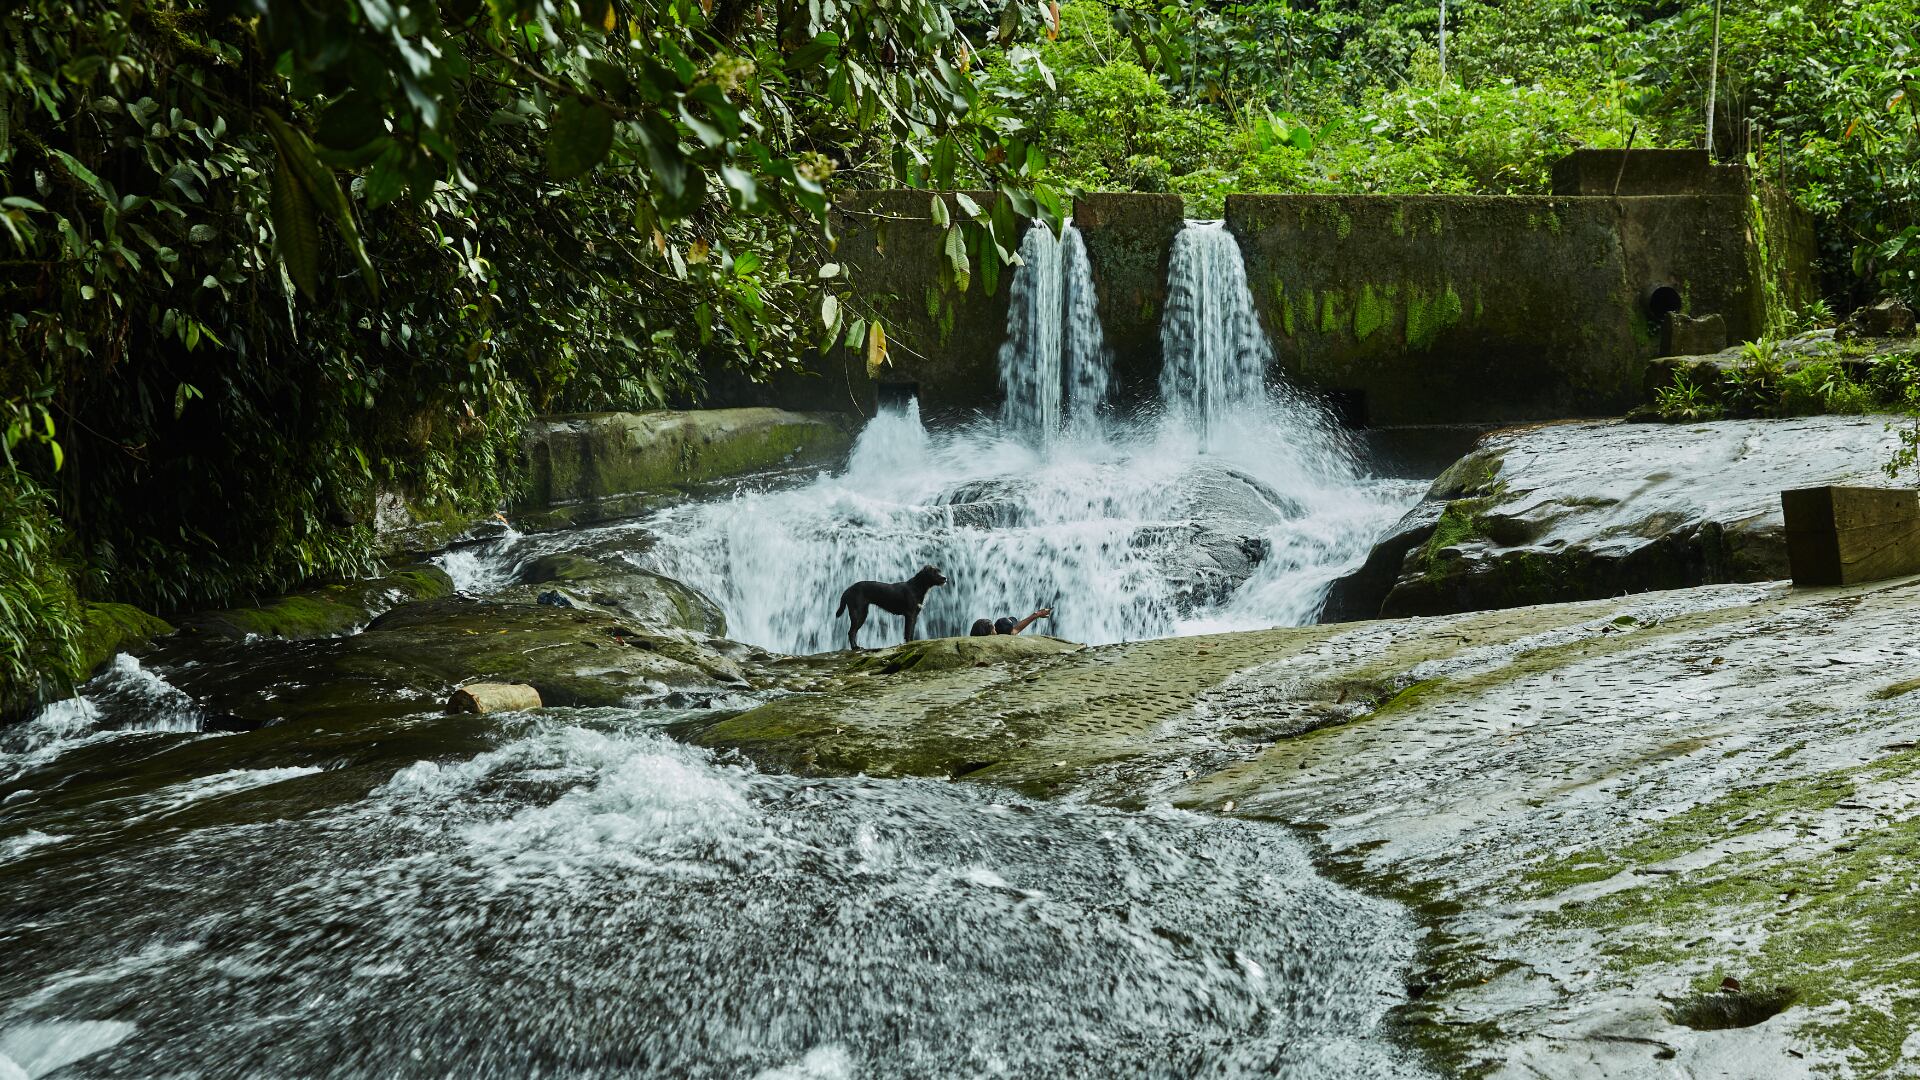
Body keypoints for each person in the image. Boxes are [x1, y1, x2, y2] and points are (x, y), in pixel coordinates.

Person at [969, 607, 1052, 636]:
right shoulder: (1000, 638)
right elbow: (1015, 630)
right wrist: (1036, 615)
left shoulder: (981, 629)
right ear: (990, 633)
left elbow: (1016, 628)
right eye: (993, 629)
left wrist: (1036, 614)